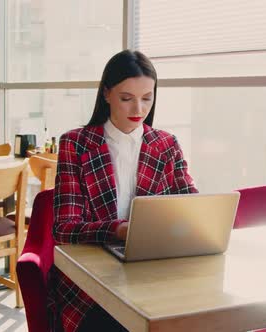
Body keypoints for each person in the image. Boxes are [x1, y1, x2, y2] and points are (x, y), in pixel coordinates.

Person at [47, 50, 198, 332]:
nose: (138, 110)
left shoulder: (166, 144)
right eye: (126, 98)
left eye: (147, 98)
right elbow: (64, 228)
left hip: (154, 274)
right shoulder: (76, 143)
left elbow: (190, 205)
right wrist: (119, 230)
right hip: (92, 283)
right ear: (106, 94)